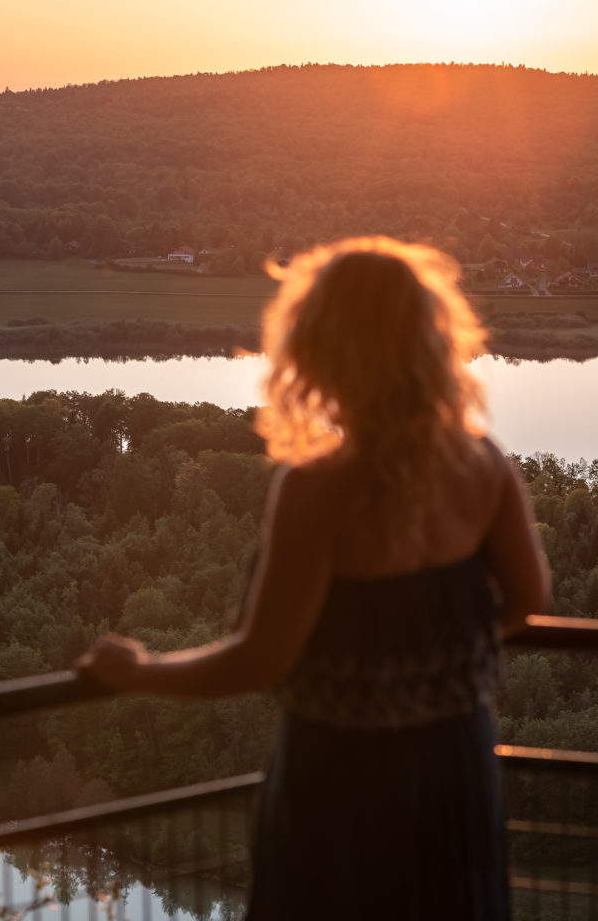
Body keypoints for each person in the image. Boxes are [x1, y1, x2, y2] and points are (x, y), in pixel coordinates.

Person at [77, 236, 550, 920]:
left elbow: (263, 658)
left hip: (343, 774)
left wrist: (140, 671)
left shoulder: (320, 489)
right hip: (454, 762)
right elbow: (528, 601)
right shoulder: (483, 464)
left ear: (321, 349)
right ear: (431, 341)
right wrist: (431, 671)